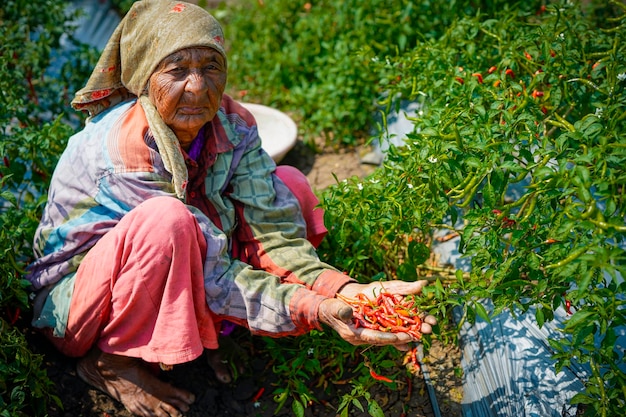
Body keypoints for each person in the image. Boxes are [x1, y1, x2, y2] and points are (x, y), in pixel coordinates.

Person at [25, 1, 437, 416]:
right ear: (145, 78)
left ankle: (209, 333)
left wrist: (343, 291)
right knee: (169, 222)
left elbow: (273, 233)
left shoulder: (232, 123)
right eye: (177, 69)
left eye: (211, 66)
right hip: (80, 304)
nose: (198, 87)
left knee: (289, 183)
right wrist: (311, 309)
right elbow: (209, 265)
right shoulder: (124, 152)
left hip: (186, 257)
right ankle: (110, 364)